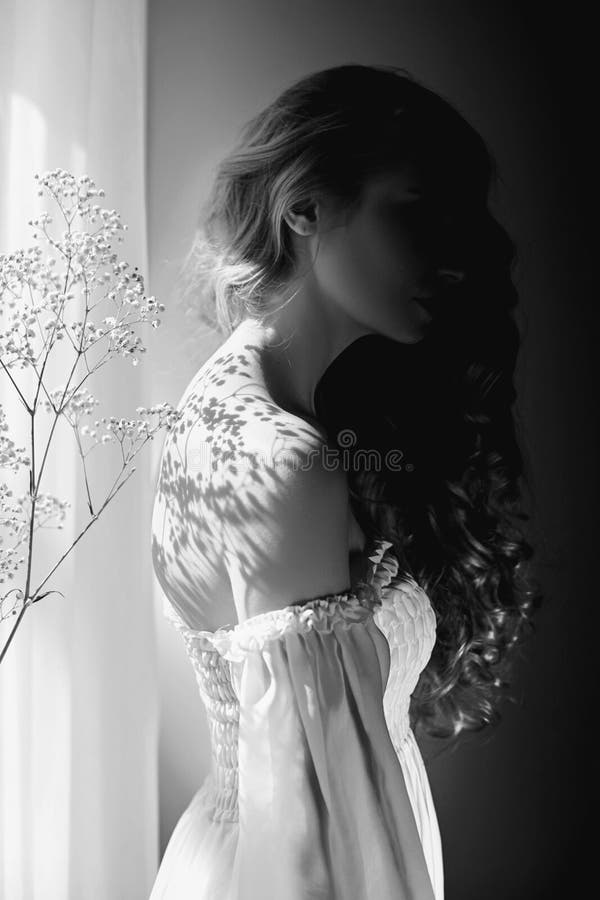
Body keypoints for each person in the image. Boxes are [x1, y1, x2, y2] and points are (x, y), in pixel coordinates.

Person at [149, 64, 539, 900]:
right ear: (304, 207)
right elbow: (309, 844)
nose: (455, 256)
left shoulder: (229, 403)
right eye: (415, 209)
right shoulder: (286, 461)